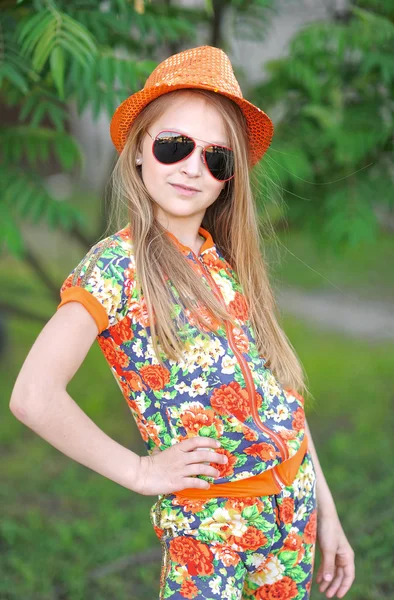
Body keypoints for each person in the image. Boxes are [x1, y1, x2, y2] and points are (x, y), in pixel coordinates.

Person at [9, 45, 355, 600]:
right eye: (175, 146)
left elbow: (281, 393)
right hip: (209, 532)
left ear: (228, 177)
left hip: (294, 516)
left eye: (216, 157)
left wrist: (327, 512)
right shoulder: (115, 267)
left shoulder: (227, 261)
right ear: (140, 151)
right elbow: (33, 395)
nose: (194, 167)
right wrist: (140, 472)